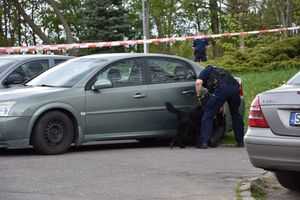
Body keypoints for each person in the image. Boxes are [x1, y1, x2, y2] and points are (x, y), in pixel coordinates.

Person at [195, 65, 244, 149]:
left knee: (208, 114)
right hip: (235, 88)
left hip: (222, 89)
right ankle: (240, 141)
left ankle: (204, 142)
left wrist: (199, 96)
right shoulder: (222, 71)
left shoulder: (206, 70)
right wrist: (221, 103)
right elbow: (226, 86)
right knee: (235, 114)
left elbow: (198, 83)